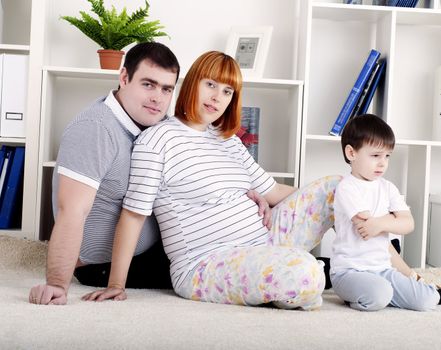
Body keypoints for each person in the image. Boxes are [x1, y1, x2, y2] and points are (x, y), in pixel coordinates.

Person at [82, 51, 438, 310]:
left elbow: (275, 191)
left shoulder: (227, 140)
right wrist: (116, 283)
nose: (217, 98)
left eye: (227, 91)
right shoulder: (157, 141)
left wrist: (326, 204)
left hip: (266, 238)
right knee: (308, 274)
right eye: (211, 85)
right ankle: (311, 281)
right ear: (192, 84)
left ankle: (399, 272)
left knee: (337, 187)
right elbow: (133, 214)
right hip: (206, 263)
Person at [28, 43, 271, 306]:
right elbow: (71, 211)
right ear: (124, 78)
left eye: (166, 89)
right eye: (148, 84)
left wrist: (243, 195)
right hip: (108, 263)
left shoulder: (154, 122)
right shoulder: (96, 129)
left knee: (253, 248)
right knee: (247, 271)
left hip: (162, 243)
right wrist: (56, 284)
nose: (157, 97)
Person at [330, 113, 441, 312]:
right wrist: (393, 219)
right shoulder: (347, 188)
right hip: (349, 272)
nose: (383, 163)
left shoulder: (387, 187)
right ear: (351, 154)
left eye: (387, 156)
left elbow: (408, 224)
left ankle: (394, 293)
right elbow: (365, 227)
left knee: (427, 299)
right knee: (379, 294)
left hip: (382, 269)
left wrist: (382, 223)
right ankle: (370, 295)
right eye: (375, 156)